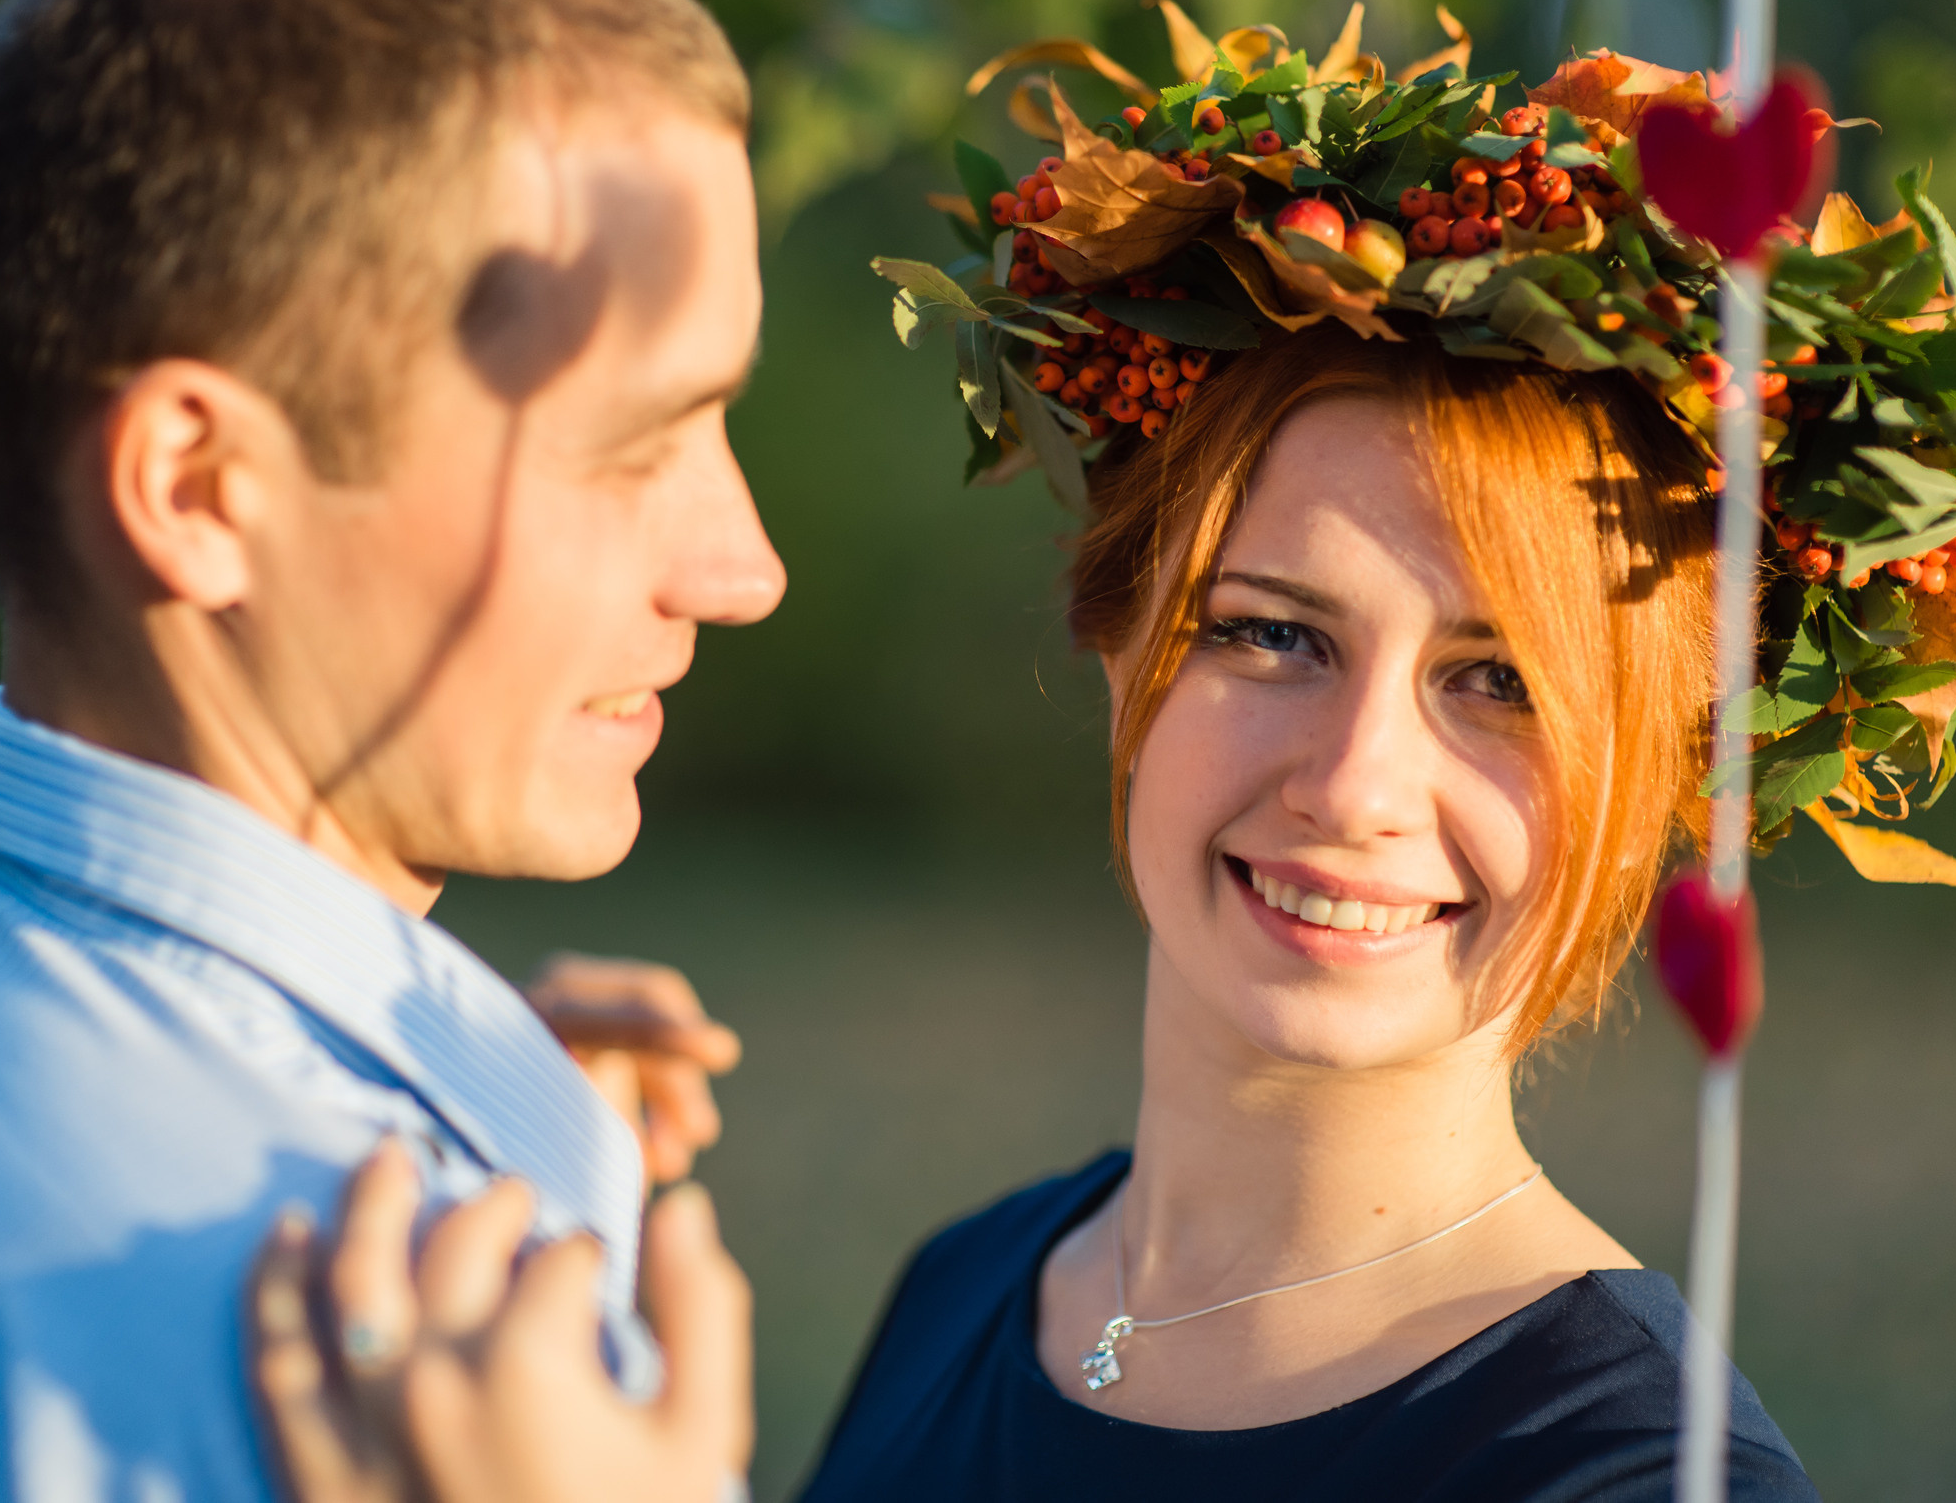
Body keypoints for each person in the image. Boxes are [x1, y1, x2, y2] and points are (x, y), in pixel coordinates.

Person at [0, 0, 776, 1503]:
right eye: (631, 447)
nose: (741, 568)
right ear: (198, 490)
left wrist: (433, 1063)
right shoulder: (346, 1334)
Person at [259, 329, 1823, 1499]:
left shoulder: (1623, 1473)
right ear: (1118, 639)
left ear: (1667, 777)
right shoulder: (985, 1276)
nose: (1358, 784)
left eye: (1501, 684)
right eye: (1275, 634)